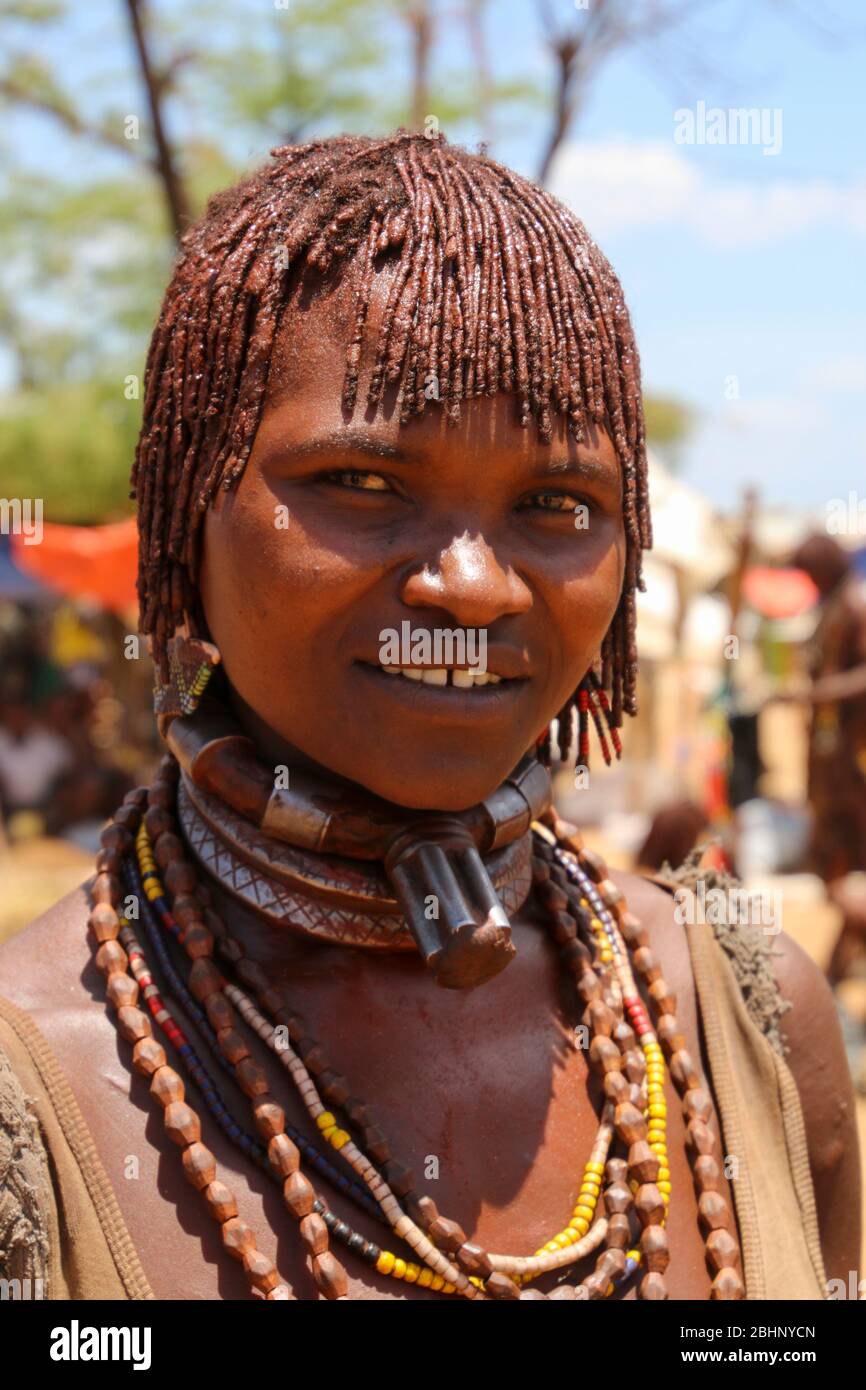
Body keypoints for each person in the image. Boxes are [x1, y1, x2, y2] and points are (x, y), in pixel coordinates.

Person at [0, 133, 858, 1302]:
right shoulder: (33, 1085)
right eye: (360, 483)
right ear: (185, 507)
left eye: (556, 502)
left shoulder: (743, 1017)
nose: (473, 585)